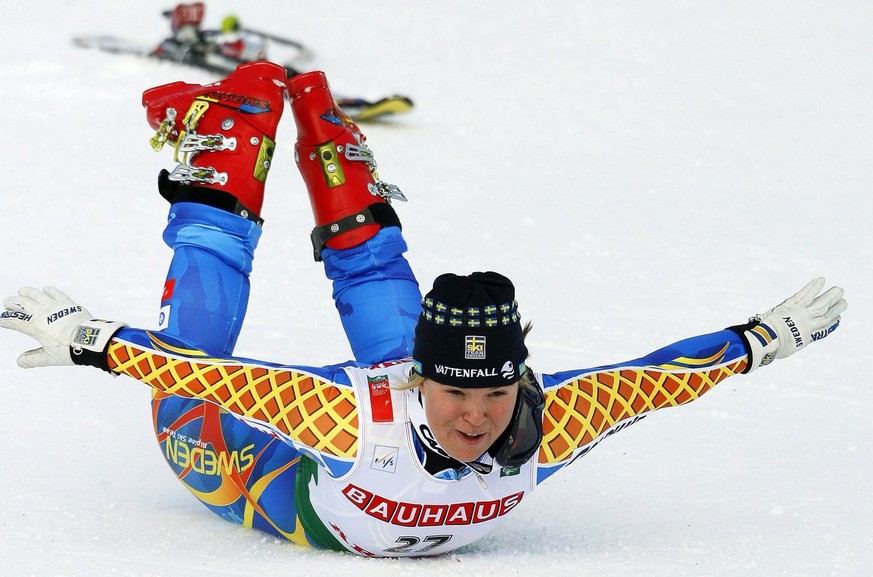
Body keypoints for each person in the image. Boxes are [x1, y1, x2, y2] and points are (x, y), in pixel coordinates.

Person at [0, 62, 847, 558]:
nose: (477, 417)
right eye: (456, 393)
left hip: (352, 443)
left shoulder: (544, 415)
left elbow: (660, 381)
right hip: (269, 466)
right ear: (421, 386)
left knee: (390, 321)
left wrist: (759, 340)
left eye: (492, 393)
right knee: (186, 388)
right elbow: (202, 375)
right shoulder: (343, 418)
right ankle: (221, 154)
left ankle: (329, 156)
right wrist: (94, 342)